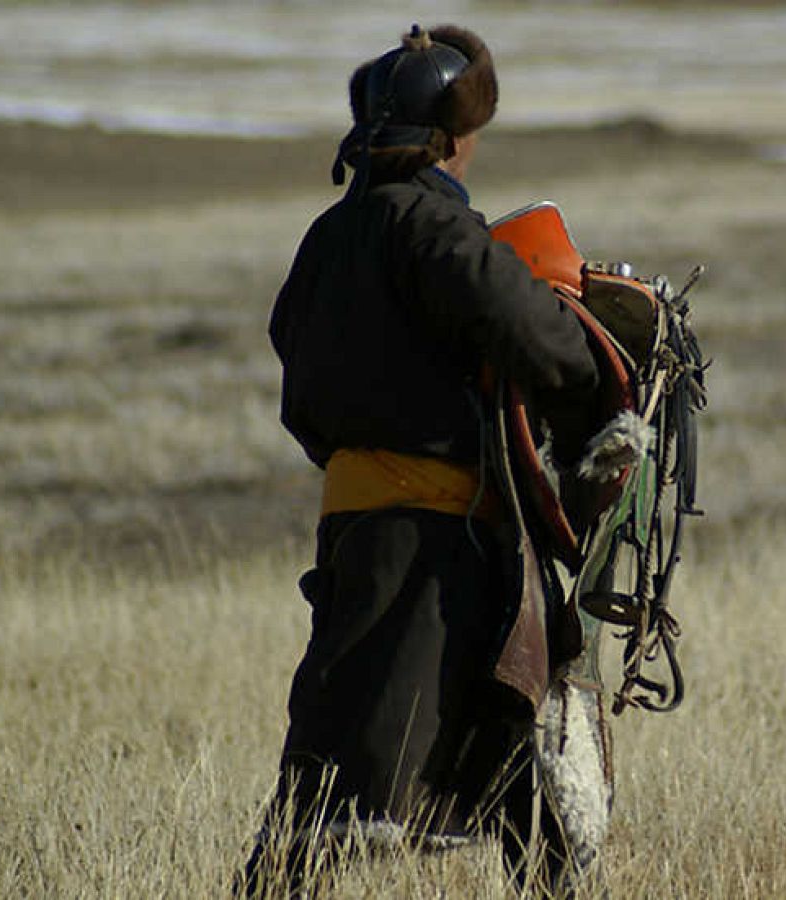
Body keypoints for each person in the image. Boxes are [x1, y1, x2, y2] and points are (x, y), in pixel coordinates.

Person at [237, 23, 601, 897]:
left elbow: (296, 366)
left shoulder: (329, 236)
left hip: (359, 521)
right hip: (437, 545)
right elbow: (546, 342)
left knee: (491, 721)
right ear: (448, 141)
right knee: (352, 757)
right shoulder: (438, 229)